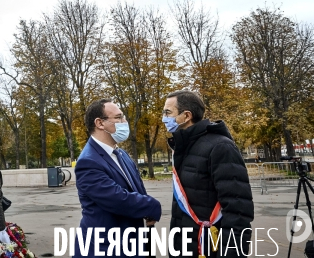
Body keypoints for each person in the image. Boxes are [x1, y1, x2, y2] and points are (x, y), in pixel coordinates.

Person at [163, 90, 254, 257]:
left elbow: (238, 210)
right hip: (184, 246)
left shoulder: (220, 147)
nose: (164, 118)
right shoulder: (183, 147)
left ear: (186, 115)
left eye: (168, 112)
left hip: (208, 248)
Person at [74, 98, 161, 258]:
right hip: (105, 248)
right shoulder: (88, 161)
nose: (124, 121)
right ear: (100, 123)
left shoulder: (121, 154)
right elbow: (118, 199)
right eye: (119, 117)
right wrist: (152, 207)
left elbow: (137, 190)